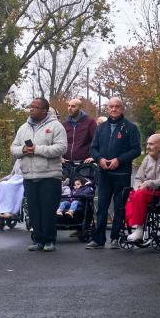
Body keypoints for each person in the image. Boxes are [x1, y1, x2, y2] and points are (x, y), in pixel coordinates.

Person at [10, 97, 67, 252]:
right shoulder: (23, 128)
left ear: (44, 111)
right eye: (31, 106)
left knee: (48, 209)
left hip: (50, 175)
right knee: (34, 209)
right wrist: (23, 150)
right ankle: (38, 240)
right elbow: (13, 148)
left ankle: (49, 240)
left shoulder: (56, 126)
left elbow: (61, 148)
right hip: (29, 175)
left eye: (35, 107)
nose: (31, 109)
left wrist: (37, 149)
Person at [87, 96, 141, 249]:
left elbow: (136, 150)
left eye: (117, 106)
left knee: (119, 207)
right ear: (108, 108)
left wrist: (120, 159)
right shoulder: (101, 127)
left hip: (121, 174)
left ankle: (115, 238)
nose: (114, 109)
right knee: (102, 207)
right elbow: (93, 148)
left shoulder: (130, 128)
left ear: (122, 108)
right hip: (104, 174)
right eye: (111, 106)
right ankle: (98, 239)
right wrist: (99, 159)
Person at [61, 95, 97, 242]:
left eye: (73, 106)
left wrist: (93, 156)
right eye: (69, 106)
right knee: (66, 193)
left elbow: (96, 140)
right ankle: (67, 221)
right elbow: (61, 142)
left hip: (83, 164)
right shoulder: (65, 125)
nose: (70, 108)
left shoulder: (89, 123)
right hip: (67, 163)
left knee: (82, 193)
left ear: (80, 108)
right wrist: (59, 157)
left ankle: (82, 225)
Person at [123, 132, 160, 245]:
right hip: (147, 192)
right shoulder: (147, 158)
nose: (147, 147)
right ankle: (133, 226)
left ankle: (139, 229)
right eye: (147, 144)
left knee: (140, 195)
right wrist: (138, 186)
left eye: (151, 144)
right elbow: (138, 177)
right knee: (133, 193)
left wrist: (150, 183)